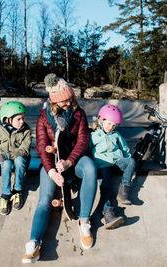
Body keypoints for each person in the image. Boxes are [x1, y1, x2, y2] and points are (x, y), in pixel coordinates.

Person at [22, 74, 97, 264]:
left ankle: (84, 221)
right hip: (52, 165)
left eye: (70, 98)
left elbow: (82, 141)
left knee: (90, 167)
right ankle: (34, 244)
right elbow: (41, 147)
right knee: (44, 200)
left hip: (74, 162)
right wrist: (52, 172)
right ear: (54, 101)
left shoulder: (78, 114)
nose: (68, 103)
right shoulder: (43, 119)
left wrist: (69, 162)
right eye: (64, 101)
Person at [89, 104, 136, 229]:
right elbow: (87, 151)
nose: (111, 127)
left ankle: (123, 191)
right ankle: (108, 214)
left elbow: (125, 150)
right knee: (106, 188)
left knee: (131, 161)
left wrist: (130, 170)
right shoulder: (93, 136)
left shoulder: (116, 135)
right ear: (101, 120)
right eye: (109, 124)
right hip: (102, 166)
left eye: (114, 125)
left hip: (116, 163)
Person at [0, 101, 31, 216]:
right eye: (18, 119)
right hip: (4, 160)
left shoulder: (25, 131)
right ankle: (6, 195)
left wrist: (7, 155)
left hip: (19, 159)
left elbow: (25, 150)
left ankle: (17, 190)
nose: (22, 121)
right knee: (6, 165)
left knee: (20, 160)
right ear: (7, 119)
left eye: (23, 118)